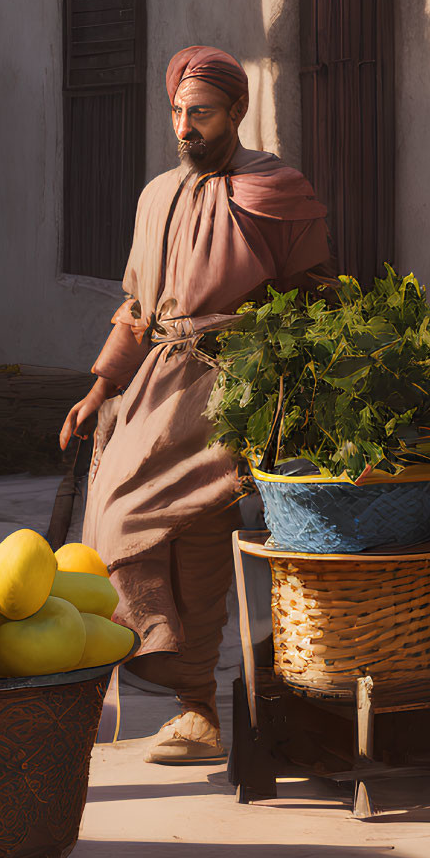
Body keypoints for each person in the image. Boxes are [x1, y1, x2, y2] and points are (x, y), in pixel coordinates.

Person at [59, 45, 334, 764]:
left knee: (178, 524)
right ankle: (181, 689)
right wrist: (98, 388)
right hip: (159, 379)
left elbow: (315, 292)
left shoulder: (275, 189)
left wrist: (286, 389)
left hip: (235, 382)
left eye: (200, 112)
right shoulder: (156, 196)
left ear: (236, 111)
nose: (185, 126)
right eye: (177, 112)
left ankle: (195, 706)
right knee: (120, 523)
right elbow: (134, 308)